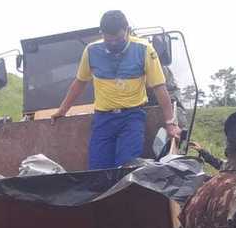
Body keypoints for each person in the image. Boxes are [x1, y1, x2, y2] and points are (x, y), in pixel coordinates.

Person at [51, 10, 181, 170]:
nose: (113, 44)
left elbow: (160, 88)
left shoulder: (144, 49)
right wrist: (62, 110)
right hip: (103, 119)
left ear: (127, 29)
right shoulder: (91, 51)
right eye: (108, 40)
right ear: (101, 33)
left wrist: (170, 123)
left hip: (132, 117)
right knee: (97, 170)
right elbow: (79, 83)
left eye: (118, 40)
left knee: (127, 168)